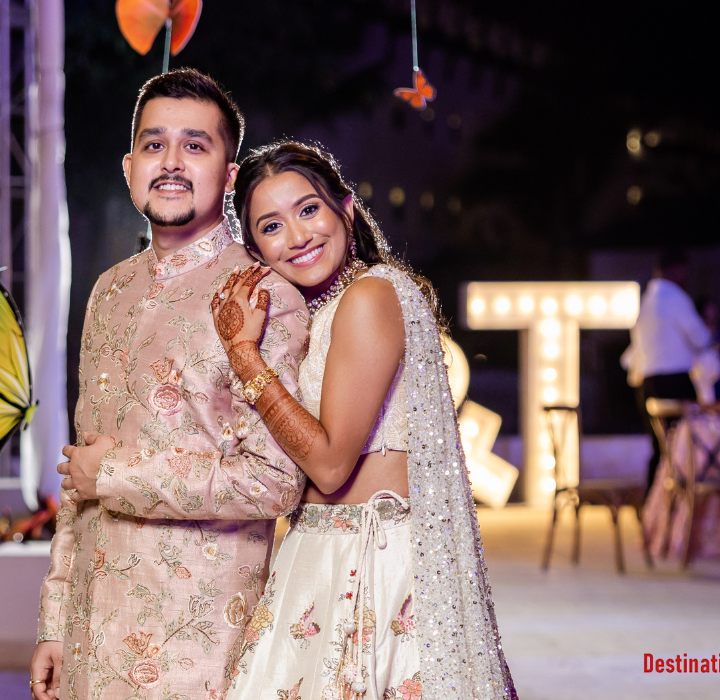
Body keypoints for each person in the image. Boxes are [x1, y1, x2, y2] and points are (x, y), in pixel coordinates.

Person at [30, 70, 311, 700]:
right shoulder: (109, 291)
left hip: (199, 652)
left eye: (195, 145)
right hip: (88, 645)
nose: (172, 163)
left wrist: (117, 473)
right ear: (130, 166)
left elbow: (273, 481)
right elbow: (80, 475)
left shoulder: (265, 298)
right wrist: (54, 623)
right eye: (155, 145)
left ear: (230, 175)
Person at [212, 141, 517, 700]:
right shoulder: (330, 307)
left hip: (371, 568)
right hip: (328, 554)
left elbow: (329, 466)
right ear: (254, 249)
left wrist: (244, 355)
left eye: (309, 210)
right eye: (272, 226)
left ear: (345, 210)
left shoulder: (368, 296)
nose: (299, 236)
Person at [621, 248, 712, 489]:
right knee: (684, 446)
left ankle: (654, 507)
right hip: (674, 381)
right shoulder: (675, 297)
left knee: (660, 447)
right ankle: (683, 505)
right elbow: (700, 337)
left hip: (647, 383)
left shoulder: (646, 301)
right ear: (677, 269)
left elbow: (634, 349)